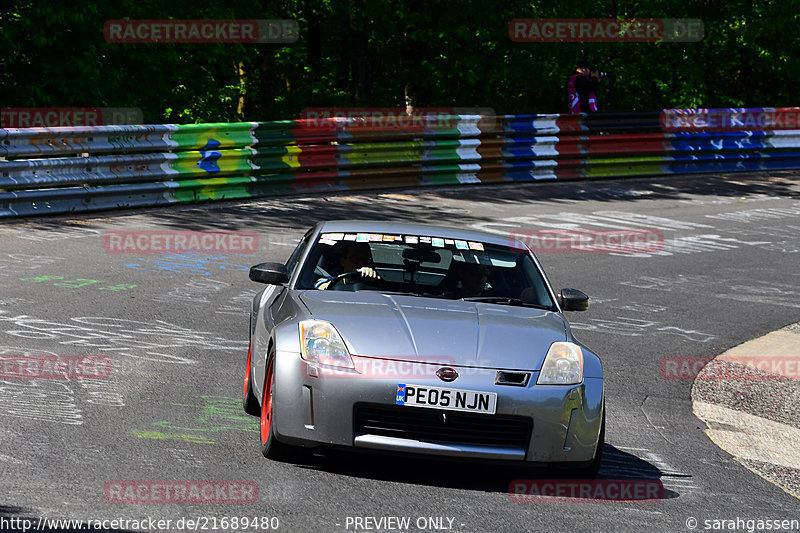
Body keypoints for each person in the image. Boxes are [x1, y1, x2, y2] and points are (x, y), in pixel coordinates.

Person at [315, 242, 381, 290]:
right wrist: (339, 282)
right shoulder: (330, 278)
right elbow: (319, 287)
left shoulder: (375, 280)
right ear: (343, 261)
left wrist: (373, 282)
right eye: (356, 259)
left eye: (365, 259)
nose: (361, 264)